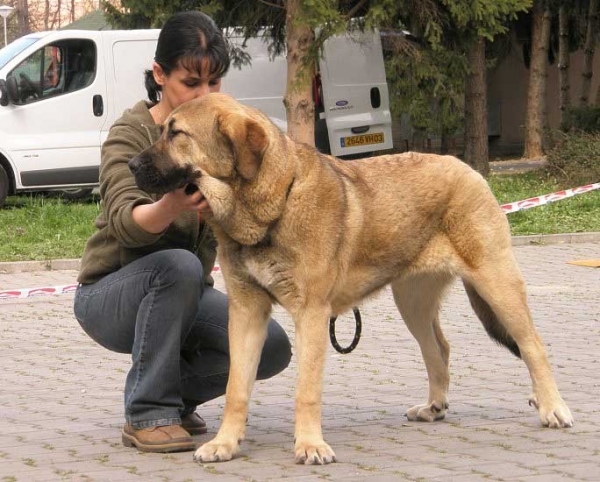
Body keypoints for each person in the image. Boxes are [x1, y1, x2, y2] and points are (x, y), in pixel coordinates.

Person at [73, 11, 292, 454]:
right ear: (159, 74)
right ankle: (147, 412)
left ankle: (173, 401)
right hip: (109, 295)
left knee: (271, 347)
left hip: (185, 292)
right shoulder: (131, 134)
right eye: (191, 83)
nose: (205, 95)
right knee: (177, 266)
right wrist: (172, 204)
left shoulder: (215, 143)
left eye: (214, 83)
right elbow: (123, 222)